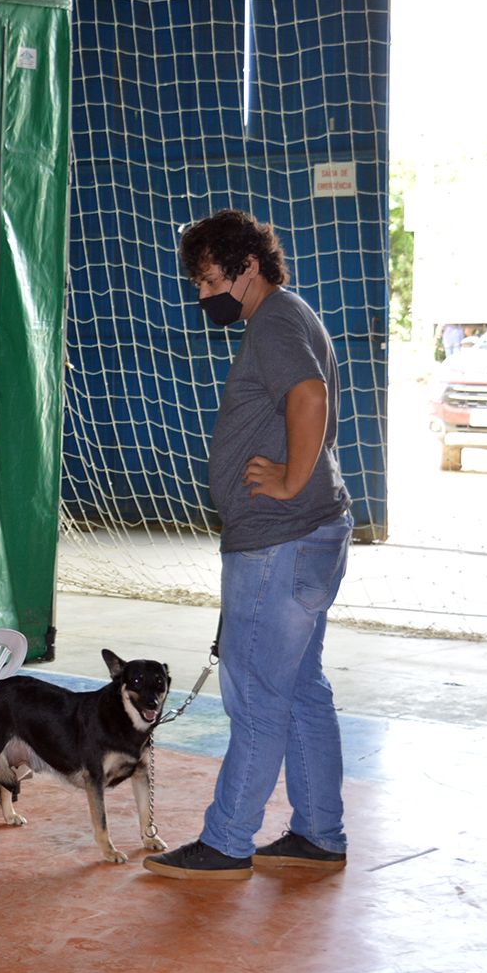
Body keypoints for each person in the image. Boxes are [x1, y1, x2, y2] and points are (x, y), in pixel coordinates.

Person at [143, 210, 353, 880]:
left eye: (209, 280)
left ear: (247, 268)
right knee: (299, 688)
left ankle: (228, 840)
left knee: (258, 694)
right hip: (305, 536)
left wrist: (291, 478)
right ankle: (318, 832)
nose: (202, 295)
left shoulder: (276, 321)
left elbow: (308, 396)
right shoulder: (283, 316)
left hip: (279, 542)